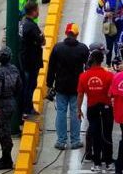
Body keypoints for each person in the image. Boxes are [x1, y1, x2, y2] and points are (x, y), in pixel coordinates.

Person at [47, 22, 90, 150]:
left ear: (66, 33)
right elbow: (88, 67)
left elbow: (51, 68)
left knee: (61, 112)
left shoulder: (57, 48)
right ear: (76, 34)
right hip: (77, 87)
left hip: (61, 86)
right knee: (75, 112)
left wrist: (49, 84)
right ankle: (75, 140)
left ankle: (61, 141)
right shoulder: (83, 48)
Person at [77, 45, 115, 171]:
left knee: (95, 134)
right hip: (107, 108)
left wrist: (78, 110)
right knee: (107, 134)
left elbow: (80, 95)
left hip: (92, 108)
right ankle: (109, 162)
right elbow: (113, 93)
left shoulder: (84, 76)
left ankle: (97, 163)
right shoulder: (109, 75)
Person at [0, 47, 22, 170]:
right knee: (5, 130)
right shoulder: (14, 69)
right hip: (11, 102)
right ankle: (5, 158)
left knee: (1, 132)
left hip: (3, 104)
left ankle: (6, 159)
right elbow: (19, 86)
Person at [19, 2, 45, 119]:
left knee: (27, 85)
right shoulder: (32, 26)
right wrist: (41, 37)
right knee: (30, 86)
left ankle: (27, 108)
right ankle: (27, 109)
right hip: (31, 61)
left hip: (25, 59)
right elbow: (42, 41)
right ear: (34, 11)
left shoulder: (22, 23)